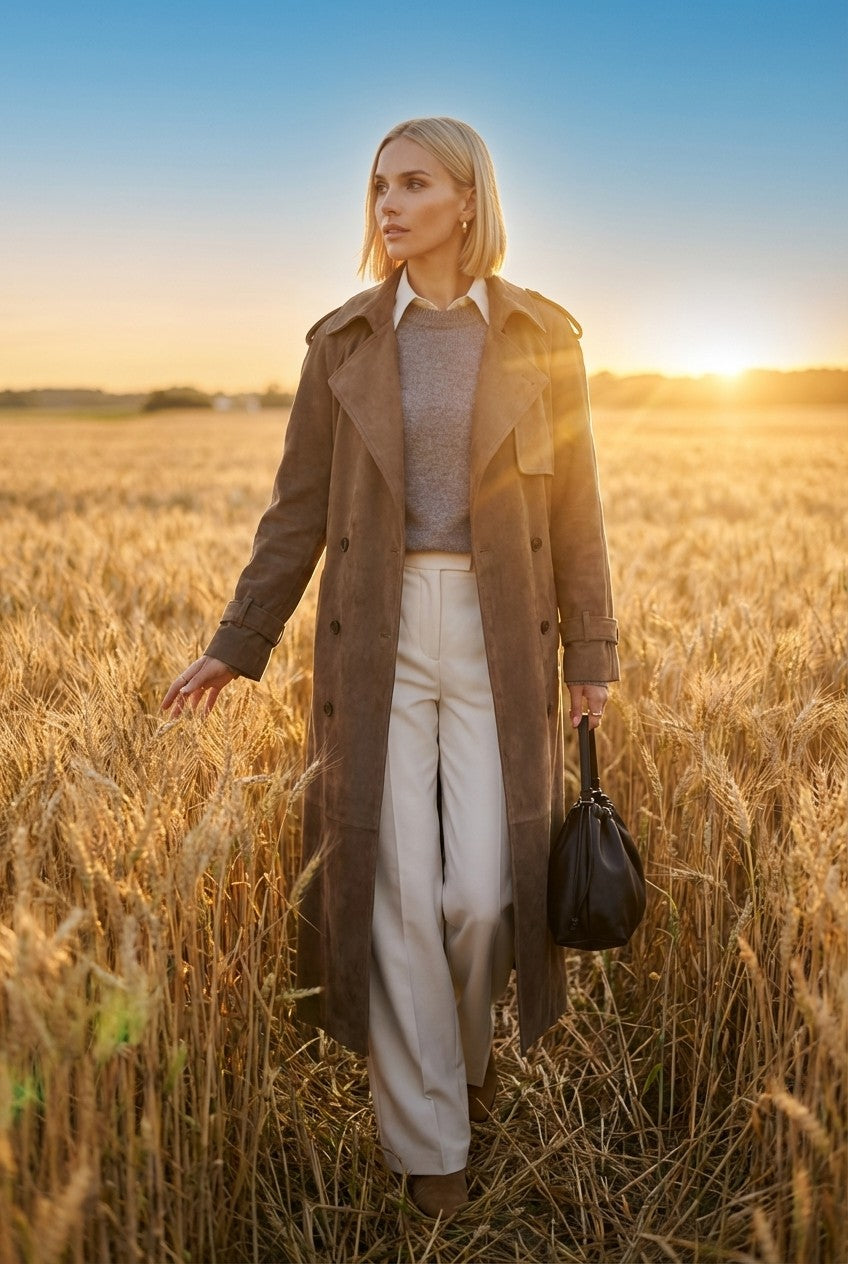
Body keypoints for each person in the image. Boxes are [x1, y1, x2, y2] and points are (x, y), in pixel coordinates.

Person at [162, 116, 619, 1219]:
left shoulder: (541, 337)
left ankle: (457, 1063)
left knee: (478, 894)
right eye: (377, 187)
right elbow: (297, 514)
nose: (388, 204)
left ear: (467, 200)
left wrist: (590, 655)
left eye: (412, 183)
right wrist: (237, 641)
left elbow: (577, 508)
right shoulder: (345, 344)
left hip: (503, 634)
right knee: (402, 892)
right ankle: (433, 1149)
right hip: (372, 634)